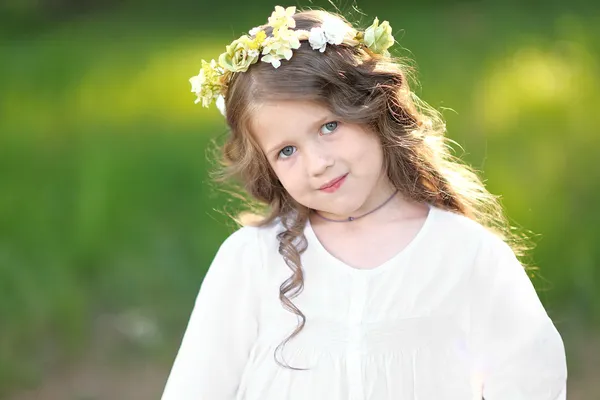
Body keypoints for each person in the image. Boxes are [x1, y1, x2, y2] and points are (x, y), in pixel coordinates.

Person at [161, 6, 567, 400]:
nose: (318, 164)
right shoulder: (251, 261)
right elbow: (196, 386)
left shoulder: (464, 253)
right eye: (287, 151)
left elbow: (530, 378)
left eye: (329, 126)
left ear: (373, 108)